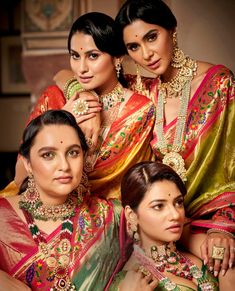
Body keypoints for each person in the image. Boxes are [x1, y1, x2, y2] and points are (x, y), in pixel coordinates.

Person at [50, 0, 235, 286]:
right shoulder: (141, 91)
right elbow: (63, 75)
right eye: (134, 47)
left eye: (151, 37)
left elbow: (231, 164)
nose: (146, 54)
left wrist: (223, 226)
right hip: (156, 219)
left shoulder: (217, 84)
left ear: (171, 31)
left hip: (207, 219)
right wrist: (85, 100)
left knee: (225, 263)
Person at [1, 12, 155, 200]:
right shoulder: (54, 97)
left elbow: (138, 184)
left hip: (108, 219)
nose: (81, 68)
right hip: (50, 212)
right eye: (75, 56)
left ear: (118, 58)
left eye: (92, 56)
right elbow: (19, 176)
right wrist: (60, 121)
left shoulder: (139, 111)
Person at [0, 109, 127, 290]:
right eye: (48, 155)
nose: (64, 166)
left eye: (73, 153)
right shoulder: (2, 218)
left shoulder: (111, 216)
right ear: (28, 163)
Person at [109, 161, 219, 290]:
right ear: (131, 215)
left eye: (178, 202)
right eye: (159, 206)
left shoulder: (198, 248)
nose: (175, 215)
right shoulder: (129, 283)